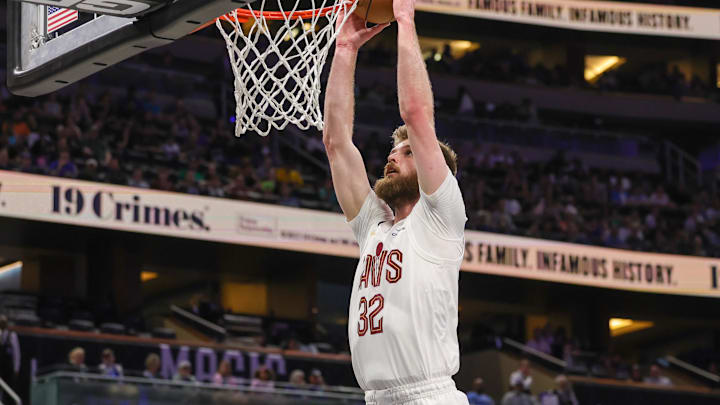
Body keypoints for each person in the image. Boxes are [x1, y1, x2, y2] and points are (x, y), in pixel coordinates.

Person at [322, 0, 468, 403]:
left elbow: (417, 113)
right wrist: (346, 49)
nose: (391, 156)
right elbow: (336, 144)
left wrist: (405, 20)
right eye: (392, 150)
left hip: (430, 396)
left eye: (406, 153)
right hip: (376, 398)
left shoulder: (441, 216)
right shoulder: (374, 227)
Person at [0, 315, 20, 401]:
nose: (2, 324)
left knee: (8, 391)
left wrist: (16, 368)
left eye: (4, 322)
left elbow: (17, 353)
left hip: (8, 368)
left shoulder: (12, 335)